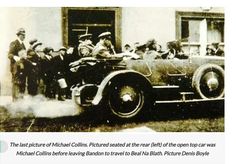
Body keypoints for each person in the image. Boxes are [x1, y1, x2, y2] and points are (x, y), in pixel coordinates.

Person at [8, 28, 27, 101]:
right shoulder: (14, 43)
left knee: (22, 83)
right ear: (18, 35)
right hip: (16, 68)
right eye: (22, 35)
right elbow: (9, 55)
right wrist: (15, 57)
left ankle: (21, 100)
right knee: (16, 83)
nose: (24, 36)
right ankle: (15, 101)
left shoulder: (23, 45)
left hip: (22, 67)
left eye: (24, 35)